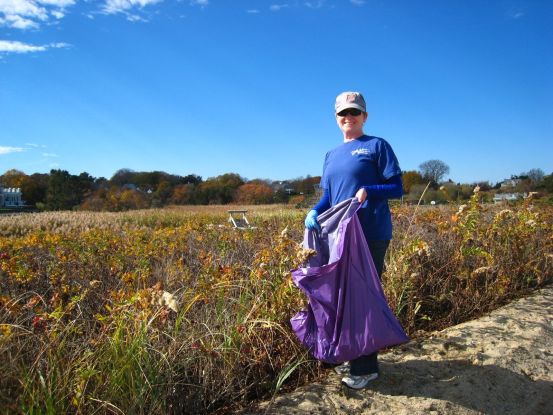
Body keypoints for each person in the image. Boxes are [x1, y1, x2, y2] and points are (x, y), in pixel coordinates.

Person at [304, 91, 403, 389]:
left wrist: (369, 190)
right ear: (336, 118)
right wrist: (314, 210)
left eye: (354, 112)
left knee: (363, 298)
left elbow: (396, 187)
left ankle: (365, 368)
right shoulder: (331, 155)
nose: (348, 117)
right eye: (342, 114)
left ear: (365, 116)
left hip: (370, 234)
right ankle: (351, 354)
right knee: (341, 297)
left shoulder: (377, 146)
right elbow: (328, 196)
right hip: (338, 236)